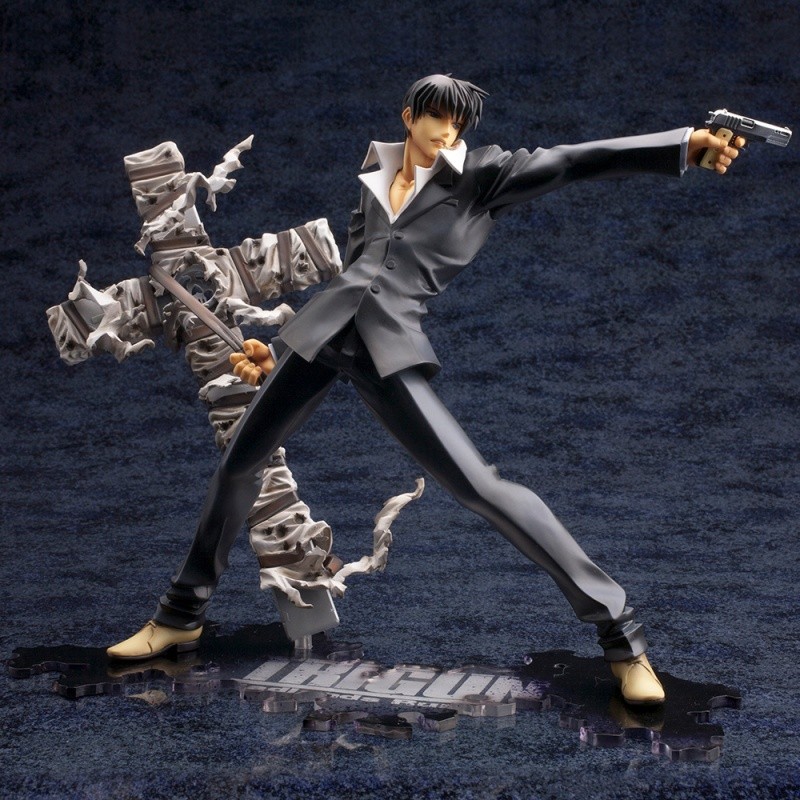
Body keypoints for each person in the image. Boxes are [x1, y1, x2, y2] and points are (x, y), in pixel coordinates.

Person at [109, 74, 742, 705]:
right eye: (438, 117)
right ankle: (180, 616)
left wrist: (683, 144)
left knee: (483, 489)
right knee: (238, 466)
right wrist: (276, 349)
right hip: (322, 337)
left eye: (458, 123)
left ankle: (624, 640)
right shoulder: (375, 174)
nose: (448, 132)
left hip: (387, 348)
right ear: (410, 116)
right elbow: (357, 273)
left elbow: (574, 161)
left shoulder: (482, 176)